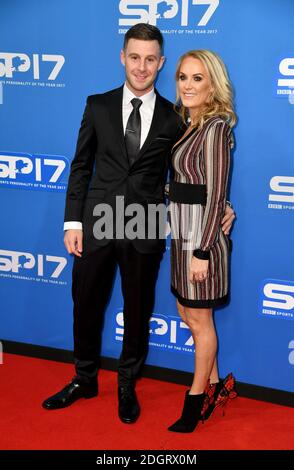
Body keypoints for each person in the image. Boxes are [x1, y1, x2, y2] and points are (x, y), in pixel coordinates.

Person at [42, 24, 235, 424]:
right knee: (86, 303)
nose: (142, 67)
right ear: (123, 57)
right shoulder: (97, 105)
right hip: (97, 220)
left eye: (151, 59)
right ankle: (84, 378)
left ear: (160, 63)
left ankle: (128, 384)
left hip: (145, 222)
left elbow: (195, 174)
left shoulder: (174, 117)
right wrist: (72, 222)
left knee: (137, 307)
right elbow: (80, 166)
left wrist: (224, 206)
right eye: (135, 57)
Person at [167, 50, 237, 433]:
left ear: (212, 83)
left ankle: (195, 403)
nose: (188, 85)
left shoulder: (216, 128)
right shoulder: (188, 123)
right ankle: (216, 387)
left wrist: (202, 250)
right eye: (182, 77)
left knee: (199, 318)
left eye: (197, 78)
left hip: (200, 239)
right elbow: (191, 184)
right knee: (187, 314)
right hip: (182, 233)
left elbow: (213, 194)